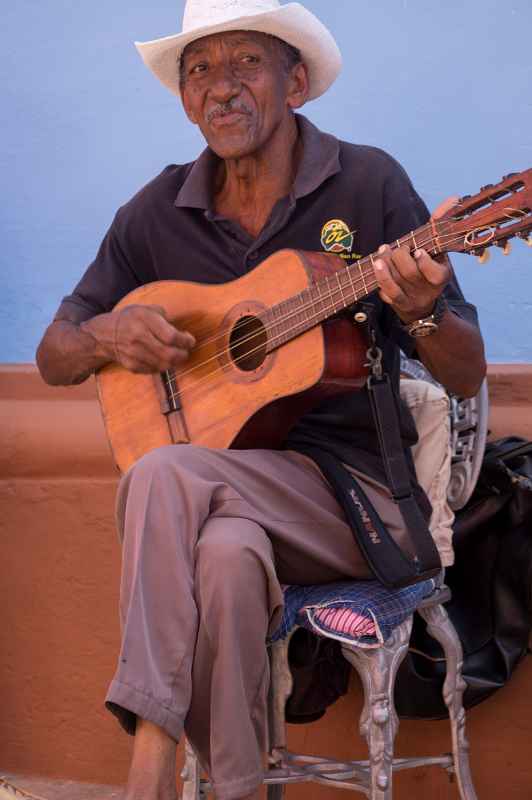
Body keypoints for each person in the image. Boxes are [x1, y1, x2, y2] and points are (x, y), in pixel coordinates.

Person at [36, 1, 486, 798]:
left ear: (298, 83)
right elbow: (55, 353)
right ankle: (237, 789)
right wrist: (110, 336)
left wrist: (417, 306)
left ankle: (146, 772)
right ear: (184, 99)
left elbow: (463, 371)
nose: (220, 88)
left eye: (246, 62)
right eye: (199, 70)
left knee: (164, 474)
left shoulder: (369, 183)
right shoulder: (157, 211)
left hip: (354, 503)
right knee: (222, 557)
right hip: (225, 511)